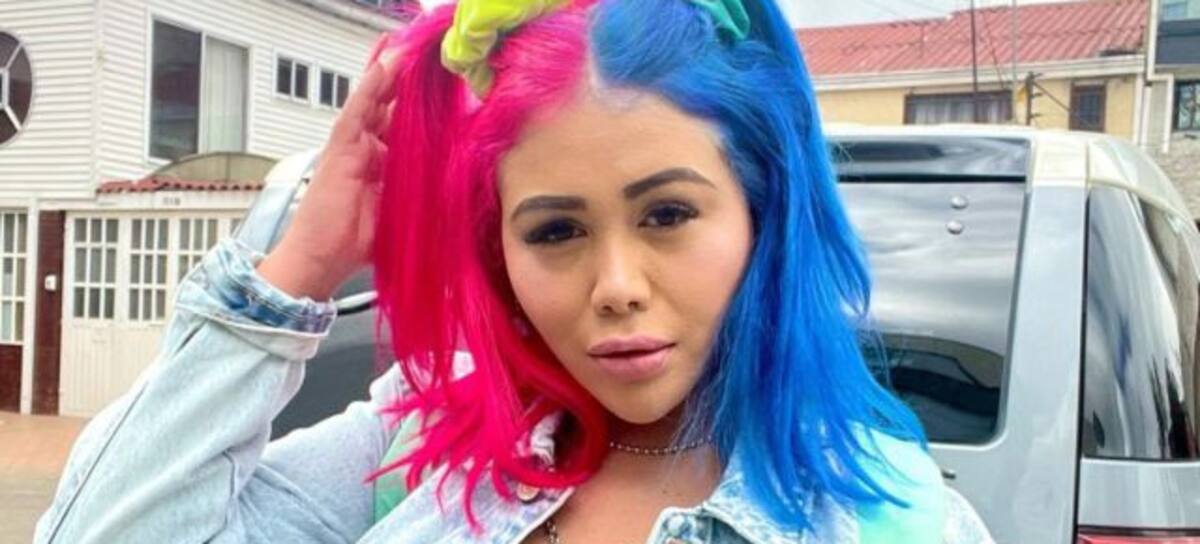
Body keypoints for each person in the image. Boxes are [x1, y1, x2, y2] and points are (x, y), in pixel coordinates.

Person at [36, 0, 994, 542]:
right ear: (500, 247)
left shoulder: (895, 522)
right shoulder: (431, 445)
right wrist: (302, 265)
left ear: (763, 211)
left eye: (667, 214)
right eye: (556, 230)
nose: (615, 284)